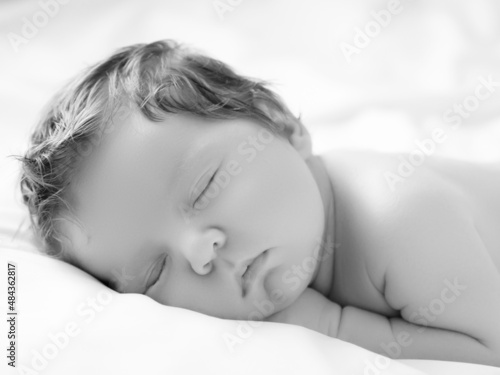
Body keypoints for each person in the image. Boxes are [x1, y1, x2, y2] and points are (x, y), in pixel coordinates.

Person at [17, 40, 500, 366]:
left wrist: (333, 326)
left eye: (205, 186)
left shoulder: (400, 217)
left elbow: (486, 351)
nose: (199, 252)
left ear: (284, 126)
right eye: (155, 272)